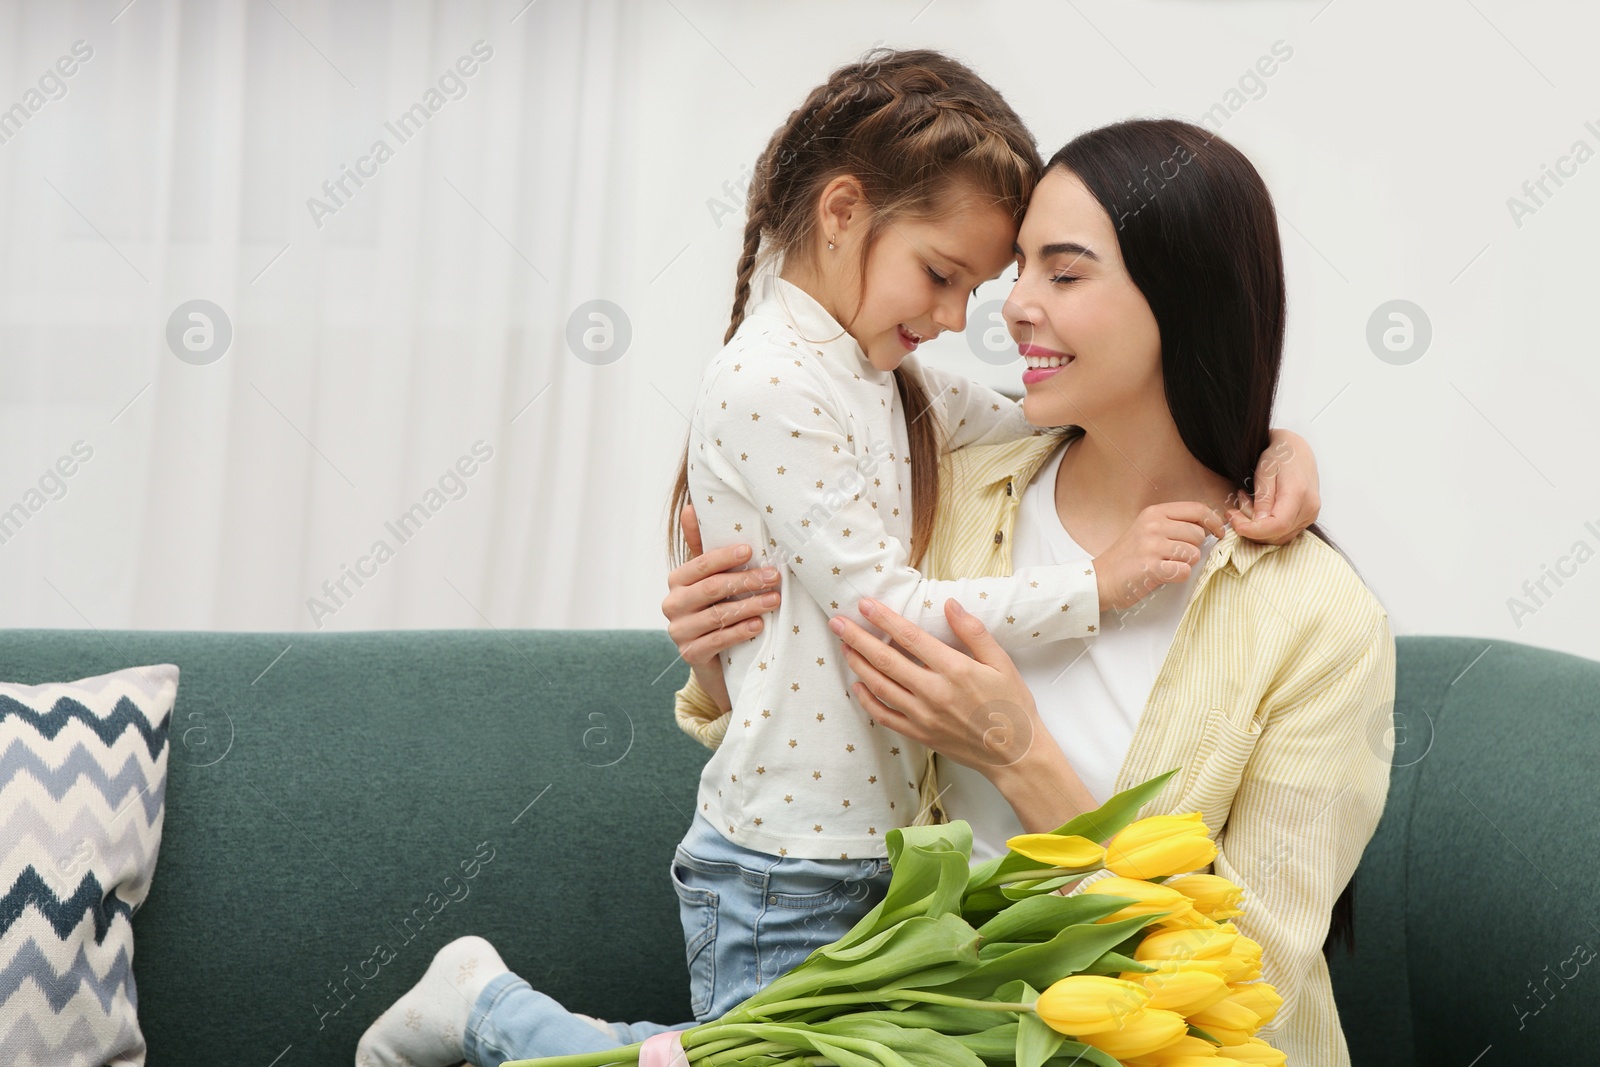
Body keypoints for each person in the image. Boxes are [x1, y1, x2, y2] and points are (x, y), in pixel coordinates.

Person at [356, 49, 1321, 1065]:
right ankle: (491, 1010)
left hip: (870, 850)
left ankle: (496, 1008)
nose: (959, 319)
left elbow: (1042, 426)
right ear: (842, 210)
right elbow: (884, 608)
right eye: (943, 276)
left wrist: (1267, 446)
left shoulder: (880, 376)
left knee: (752, 1052)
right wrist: (1100, 583)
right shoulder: (772, 379)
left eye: (981, 287)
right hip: (787, 851)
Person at [672, 119, 1392, 1064]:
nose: (1007, 308)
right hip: (923, 1032)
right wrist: (723, 660)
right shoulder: (952, 486)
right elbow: (824, 740)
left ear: (1186, 299)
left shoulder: (1315, 619)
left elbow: (1249, 977)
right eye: (1014, 270)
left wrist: (1021, 755)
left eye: (1064, 271)